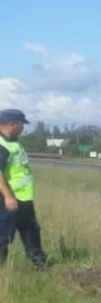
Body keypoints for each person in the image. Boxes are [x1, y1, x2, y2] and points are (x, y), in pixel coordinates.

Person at [0, 109, 48, 269]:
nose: (23, 127)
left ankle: (41, 264)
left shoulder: (14, 142)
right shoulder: (2, 144)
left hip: (23, 198)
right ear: (13, 124)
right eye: (21, 124)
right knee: (4, 235)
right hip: (8, 200)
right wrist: (8, 196)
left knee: (31, 231)